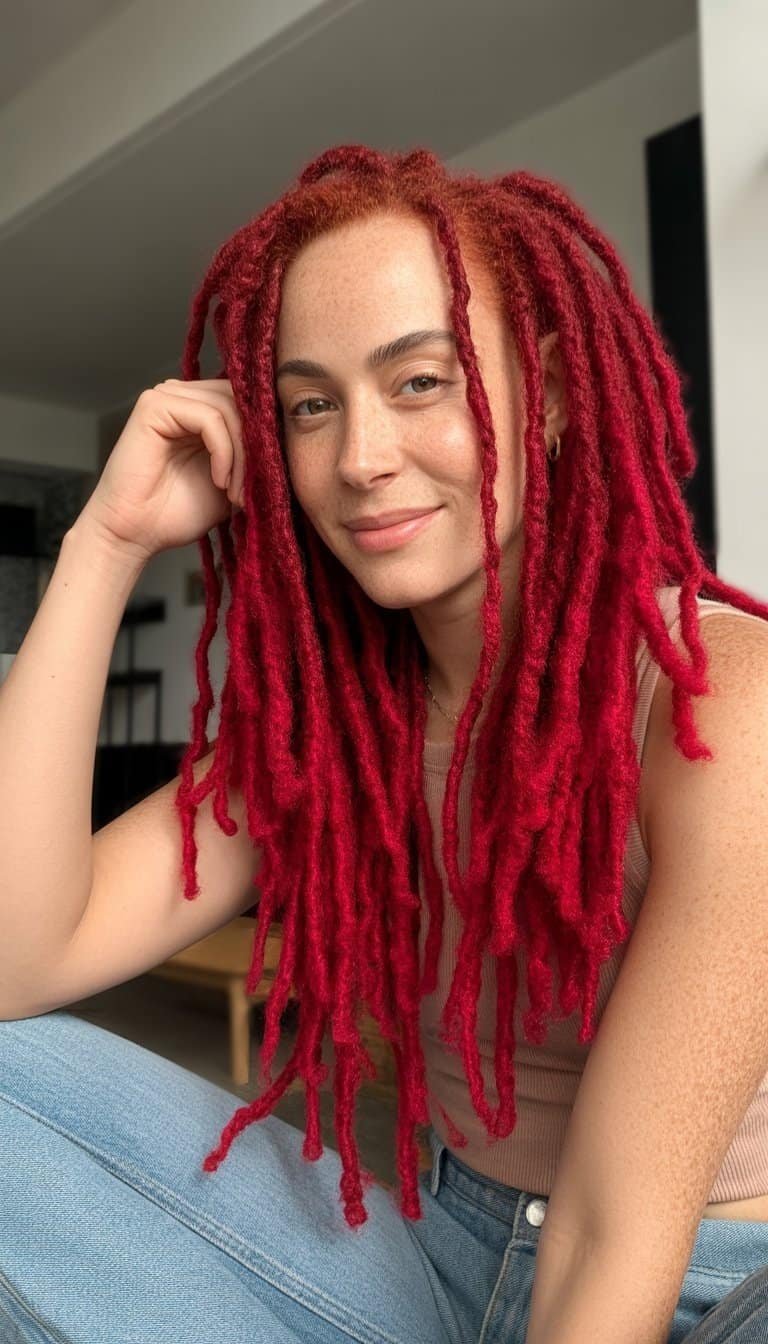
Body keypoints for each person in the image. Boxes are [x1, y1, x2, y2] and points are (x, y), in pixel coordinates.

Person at [2, 142, 768, 1343]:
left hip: (699, 1285)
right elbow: (16, 957)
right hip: (438, 1253)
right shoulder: (338, 734)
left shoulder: (718, 700)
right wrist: (106, 542)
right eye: (312, 405)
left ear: (549, 394)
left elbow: (612, 1238)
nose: (359, 459)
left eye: (420, 381)